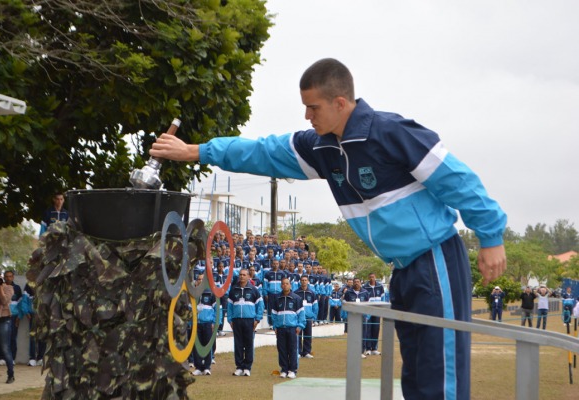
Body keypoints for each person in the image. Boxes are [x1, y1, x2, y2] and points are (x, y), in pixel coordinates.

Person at [150, 57, 507, 399]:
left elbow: (456, 179)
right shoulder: (321, 147)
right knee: (414, 373)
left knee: (439, 375)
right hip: (402, 268)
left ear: (340, 103)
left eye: (313, 108)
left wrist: (490, 236)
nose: (307, 116)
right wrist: (197, 151)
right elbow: (260, 151)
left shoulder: (390, 132)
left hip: (435, 260)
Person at [226, 269, 264, 377]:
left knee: (248, 344)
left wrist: (257, 319)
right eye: (240, 275)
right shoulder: (233, 290)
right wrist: (230, 320)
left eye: (244, 275)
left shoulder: (254, 290)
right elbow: (229, 306)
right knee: (238, 344)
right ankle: (239, 367)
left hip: (249, 321)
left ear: (248, 277)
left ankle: (247, 367)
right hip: (237, 320)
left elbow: (260, 305)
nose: (242, 276)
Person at [272, 277, 305, 379]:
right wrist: (275, 327)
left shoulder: (296, 298)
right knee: (282, 349)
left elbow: (301, 314)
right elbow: (274, 314)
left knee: (292, 350)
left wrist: (300, 326)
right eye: (283, 284)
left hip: (292, 329)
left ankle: (292, 370)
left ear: (290, 285)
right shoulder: (277, 298)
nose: (285, 285)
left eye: (287, 283)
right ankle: (284, 369)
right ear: (281, 285)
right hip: (281, 328)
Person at [191, 275, 216, 376]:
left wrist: (214, 322)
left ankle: (206, 367)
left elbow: (217, 310)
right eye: (199, 279)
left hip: (207, 324)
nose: (201, 281)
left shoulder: (211, 293)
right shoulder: (193, 294)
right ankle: (198, 367)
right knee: (196, 345)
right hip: (196, 324)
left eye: (203, 279)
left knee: (207, 345)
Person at [342, 278, 371, 358]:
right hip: (352, 317)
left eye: (358, 282)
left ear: (360, 283)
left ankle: (361, 351)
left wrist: (367, 316)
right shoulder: (348, 292)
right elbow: (345, 303)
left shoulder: (365, 292)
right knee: (352, 334)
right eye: (355, 282)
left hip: (362, 316)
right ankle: (353, 351)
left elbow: (368, 305)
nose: (356, 283)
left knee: (363, 334)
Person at [0, 271, 22, 365]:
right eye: (6, 276)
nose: (8, 278)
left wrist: (19, 317)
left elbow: (20, 303)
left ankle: (12, 358)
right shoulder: (1, 287)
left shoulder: (17, 288)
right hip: (3, 315)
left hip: (14, 316)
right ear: (4, 277)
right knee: (3, 337)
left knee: (13, 336)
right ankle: (2, 358)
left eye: (10, 276)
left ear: (13, 277)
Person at [294, 275, 318, 359]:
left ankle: (307, 352)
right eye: (302, 280)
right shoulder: (296, 293)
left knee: (308, 335)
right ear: (300, 281)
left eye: (305, 280)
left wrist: (313, 317)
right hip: (299, 319)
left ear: (308, 281)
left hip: (308, 318)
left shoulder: (312, 293)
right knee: (298, 335)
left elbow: (315, 306)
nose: (304, 281)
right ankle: (299, 352)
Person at [363, 273, 384, 355]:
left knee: (376, 328)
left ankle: (374, 348)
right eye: (370, 277)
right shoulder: (365, 287)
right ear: (369, 278)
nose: (372, 278)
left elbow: (383, 298)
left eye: (373, 277)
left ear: (375, 277)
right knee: (368, 329)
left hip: (377, 311)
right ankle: (368, 348)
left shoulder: (380, 286)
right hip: (368, 311)